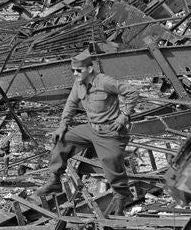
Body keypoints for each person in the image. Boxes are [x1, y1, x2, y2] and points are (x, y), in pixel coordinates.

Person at [36, 49, 136, 215]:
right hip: (90, 129)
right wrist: (62, 126)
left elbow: (132, 92)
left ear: (89, 69)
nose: (75, 74)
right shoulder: (79, 83)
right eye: (73, 71)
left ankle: (120, 201)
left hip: (110, 131)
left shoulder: (105, 82)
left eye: (78, 70)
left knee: (112, 164)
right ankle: (54, 180)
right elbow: (71, 104)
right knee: (63, 139)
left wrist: (124, 116)